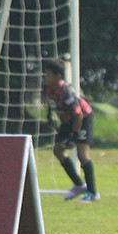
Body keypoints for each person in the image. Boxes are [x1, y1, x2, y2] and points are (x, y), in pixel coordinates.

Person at [43, 58, 99, 203]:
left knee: (82, 154)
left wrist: (73, 137)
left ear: (58, 76)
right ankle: (79, 185)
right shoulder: (47, 89)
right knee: (57, 150)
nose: (46, 77)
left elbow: (78, 115)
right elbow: (52, 103)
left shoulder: (65, 92)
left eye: (48, 74)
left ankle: (93, 193)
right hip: (68, 121)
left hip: (83, 119)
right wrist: (50, 117)